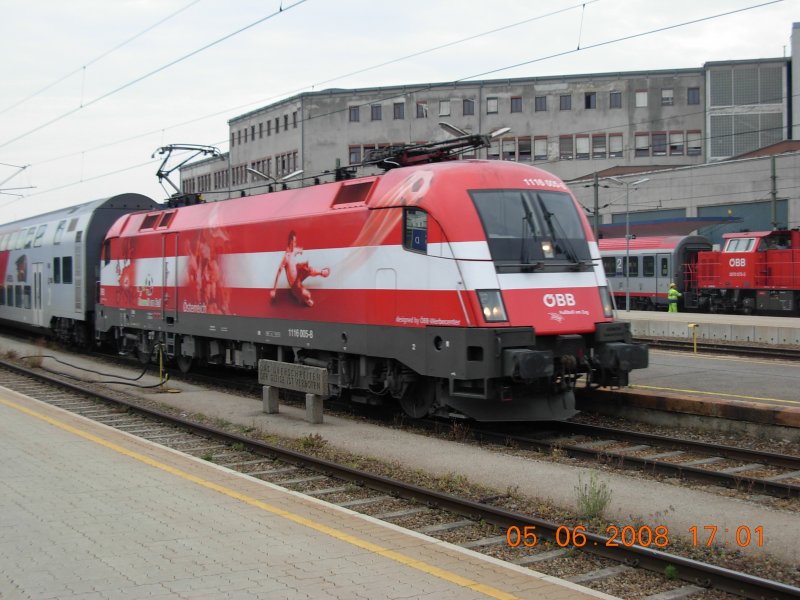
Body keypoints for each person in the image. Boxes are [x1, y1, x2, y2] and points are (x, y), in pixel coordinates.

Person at [270, 230, 330, 307]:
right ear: (290, 242)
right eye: (293, 242)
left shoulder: (294, 250)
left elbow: (301, 250)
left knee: (308, 268)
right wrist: (274, 289)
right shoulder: (286, 257)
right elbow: (278, 273)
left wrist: (301, 251)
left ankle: (321, 272)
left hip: (299, 274)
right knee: (307, 295)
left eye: (295, 242)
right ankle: (304, 298)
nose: (294, 244)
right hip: (294, 284)